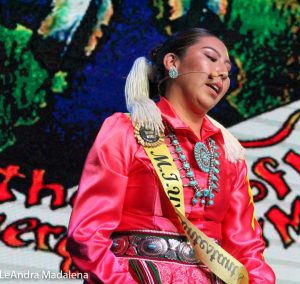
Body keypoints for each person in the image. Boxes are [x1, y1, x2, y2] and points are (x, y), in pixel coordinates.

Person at [67, 28, 275, 284]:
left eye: (228, 70)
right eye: (211, 58)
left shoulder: (229, 154)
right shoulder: (126, 132)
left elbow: (247, 249)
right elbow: (87, 234)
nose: (221, 72)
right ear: (172, 63)